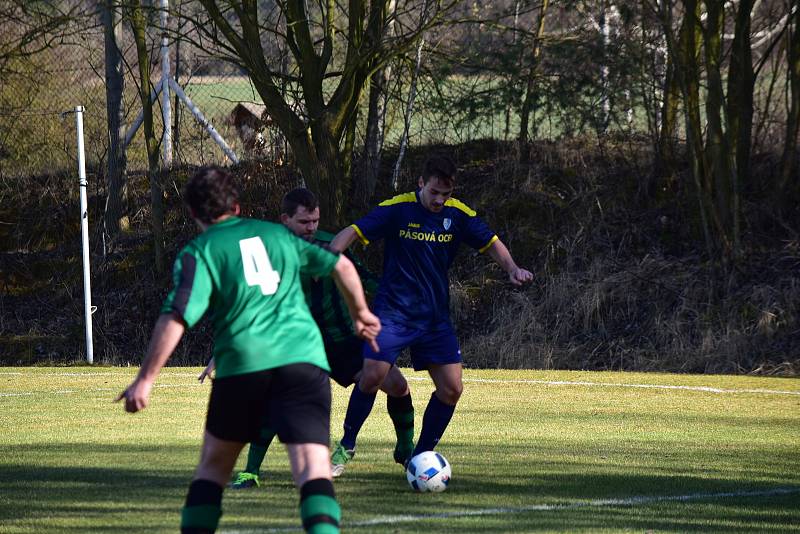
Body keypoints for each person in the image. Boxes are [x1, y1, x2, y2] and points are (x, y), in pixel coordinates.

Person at [116, 166, 380, 534]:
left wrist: (145, 380)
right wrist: (361, 313)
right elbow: (340, 264)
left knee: (212, 469)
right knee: (312, 470)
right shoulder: (277, 235)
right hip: (303, 361)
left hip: (244, 365)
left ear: (193, 213)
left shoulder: (200, 251)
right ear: (237, 206)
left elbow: (176, 316)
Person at [328, 153, 533, 476]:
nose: (439, 200)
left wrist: (512, 268)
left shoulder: (458, 214)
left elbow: (491, 241)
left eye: (446, 194)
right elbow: (353, 231)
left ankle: (420, 458)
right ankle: (346, 446)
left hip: (434, 318)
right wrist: (330, 256)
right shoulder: (397, 208)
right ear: (421, 183)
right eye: (434, 192)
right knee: (371, 375)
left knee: (452, 389)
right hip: (393, 313)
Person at [200, 188, 415, 486]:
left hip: (343, 340)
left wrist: (403, 303)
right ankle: (250, 472)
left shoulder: (331, 246)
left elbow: (364, 279)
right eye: (304, 222)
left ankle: (406, 451)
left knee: (397, 385)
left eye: (315, 221)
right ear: (285, 220)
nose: (312, 228)